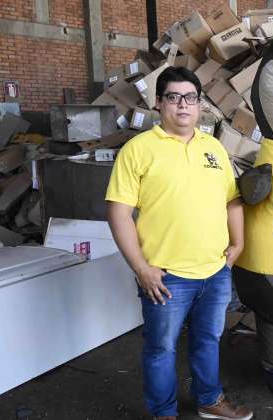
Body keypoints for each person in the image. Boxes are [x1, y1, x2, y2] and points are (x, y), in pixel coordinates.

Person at [105, 66, 252, 420]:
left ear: (200, 105)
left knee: (207, 341)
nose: (183, 105)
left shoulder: (214, 147)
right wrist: (142, 268)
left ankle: (210, 400)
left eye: (190, 98)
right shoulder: (138, 150)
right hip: (165, 276)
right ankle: (164, 413)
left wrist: (239, 242)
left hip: (215, 270)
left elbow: (232, 200)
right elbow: (118, 213)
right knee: (161, 348)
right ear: (159, 103)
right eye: (173, 97)